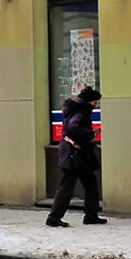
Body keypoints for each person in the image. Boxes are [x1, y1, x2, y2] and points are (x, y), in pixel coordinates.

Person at [47, 86, 104, 227]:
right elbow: (73, 127)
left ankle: (91, 215)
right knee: (67, 186)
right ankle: (54, 218)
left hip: (75, 154)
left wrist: (90, 132)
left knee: (90, 184)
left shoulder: (77, 110)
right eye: (95, 101)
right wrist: (91, 133)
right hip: (74, 155)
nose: (95, 104)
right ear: (89, 101)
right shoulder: (80, 113)